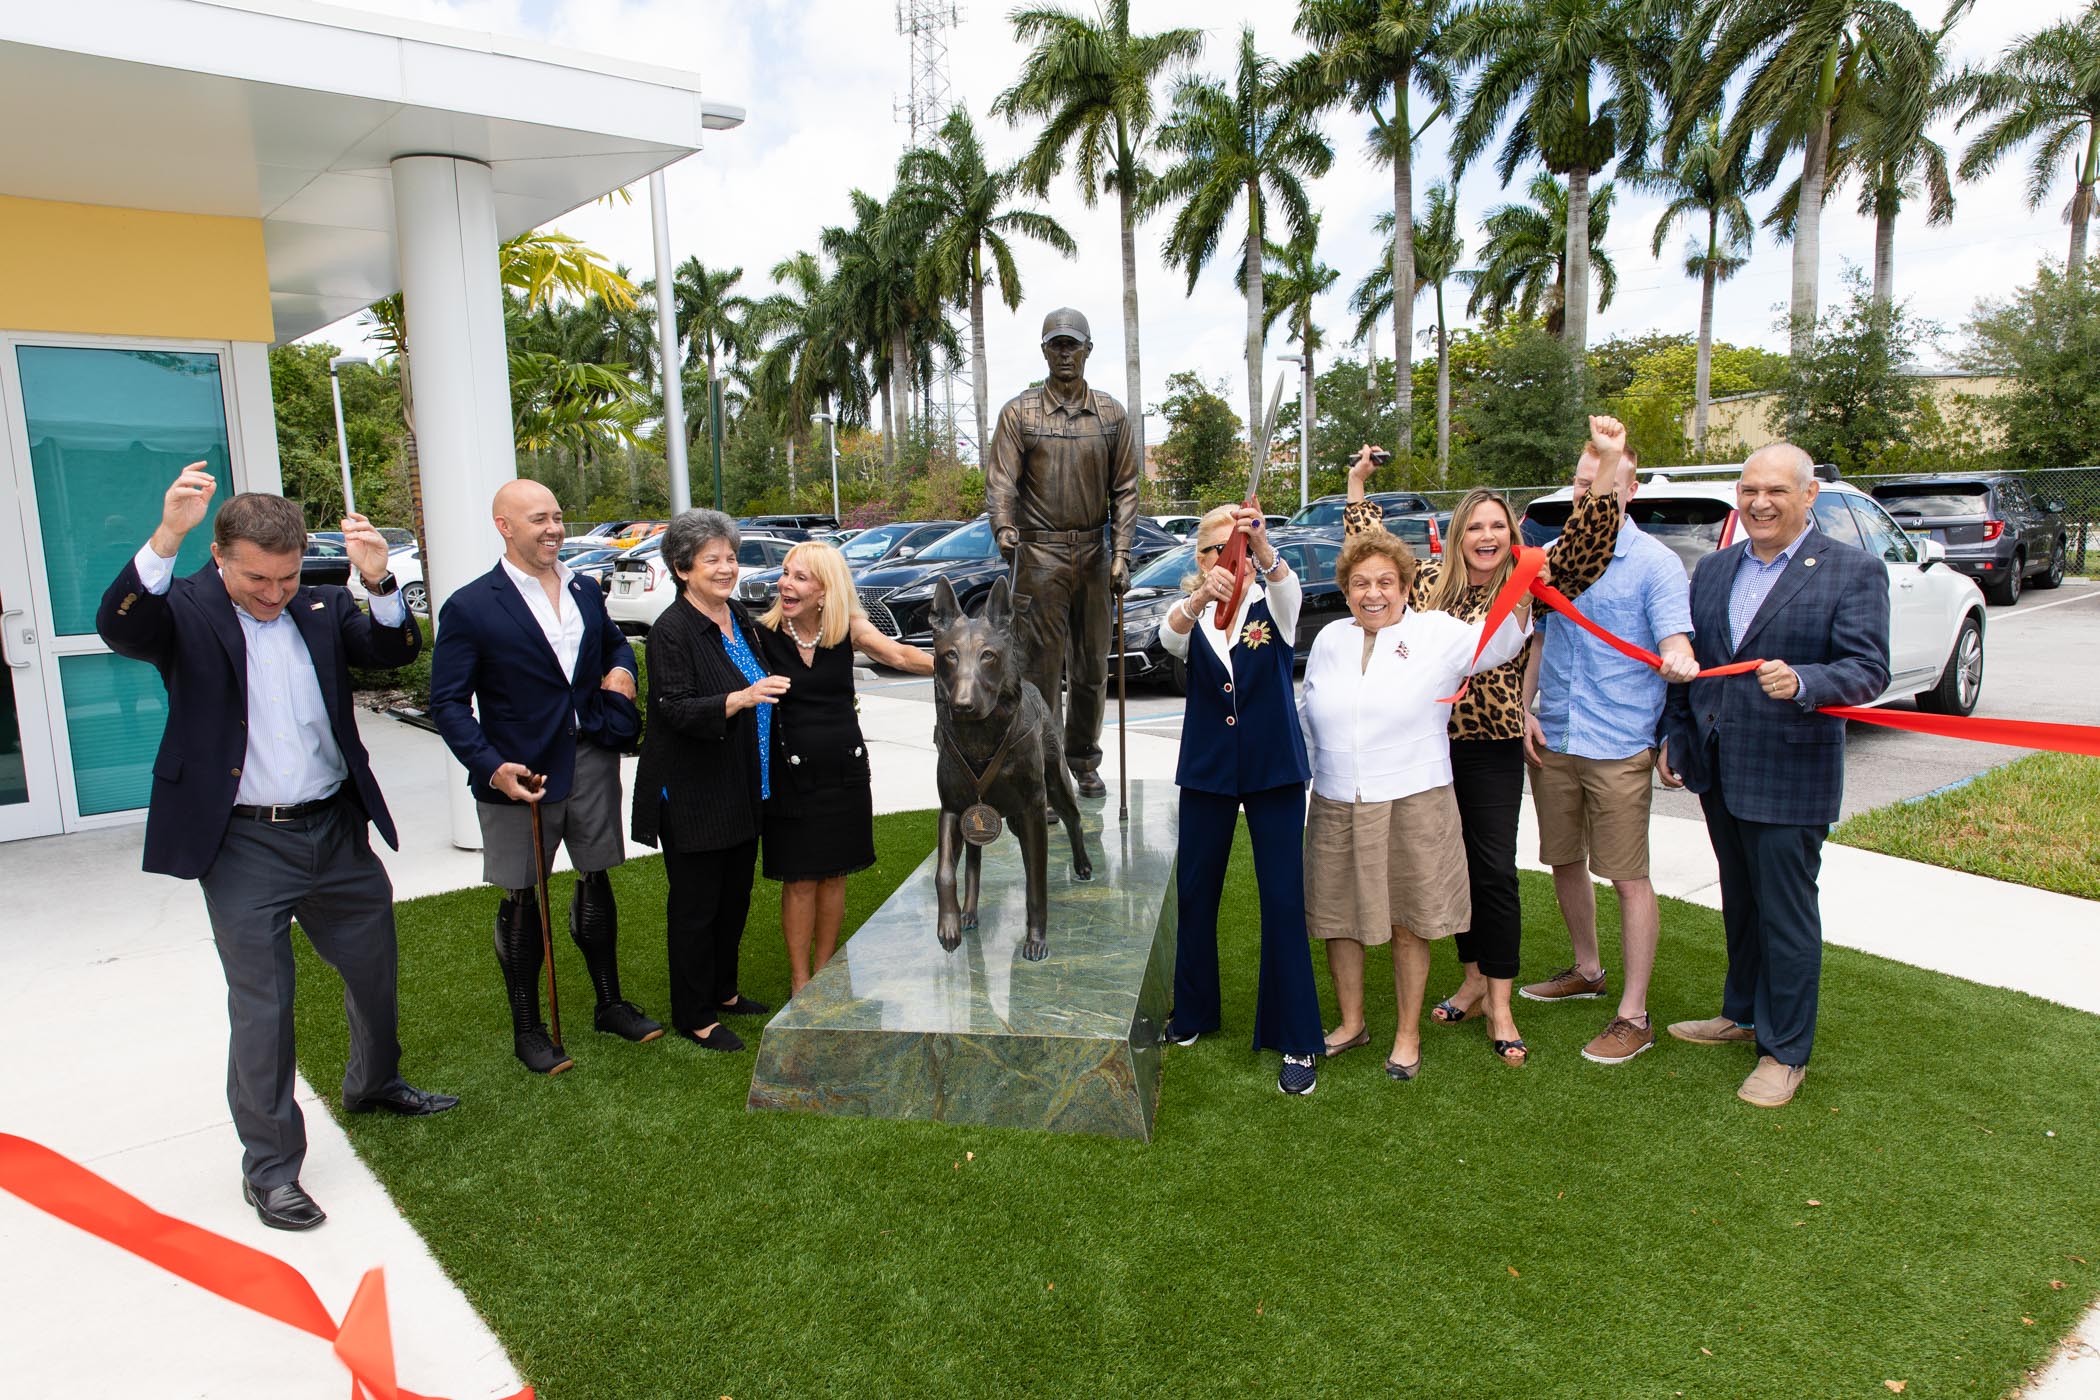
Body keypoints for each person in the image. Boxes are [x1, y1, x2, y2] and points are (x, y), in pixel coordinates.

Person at [96, 463, 456, 1232]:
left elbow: (392, 652)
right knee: (265, 1009)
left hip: (334, 829)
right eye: (258, 578)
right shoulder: (183, 607)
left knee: (374, 973)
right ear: (220, 558)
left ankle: (373, 1083)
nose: (274, 592)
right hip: (242, 843)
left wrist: (378, 581)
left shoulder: (321, 605)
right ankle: (270, 1170)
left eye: (287, 577)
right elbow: (119, 626)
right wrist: (166, 537)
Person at [1343, 424, 1627, 1064]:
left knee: (1494, 871)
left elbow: (1586, 548)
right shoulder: (1424, 586)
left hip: (1492, 744)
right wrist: (1358, 485)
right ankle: (1472, 977)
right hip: (1426, 748)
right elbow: (1372, 557)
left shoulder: (1529, 578)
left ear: (1511, 534)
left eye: (1498, 526)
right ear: (1459, 534)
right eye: (1476, 527)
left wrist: (1606, 465)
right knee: (1451, 870)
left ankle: (1499, 1000)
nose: (1488, 537)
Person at [1661, 443, 1890, 1107]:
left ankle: (1785, 1051)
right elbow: (1694, 664)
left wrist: (1805, 681)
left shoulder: (1852, 571)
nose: (1759, 502)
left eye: (1776, 491)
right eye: (1749, 488)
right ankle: (1742, 1011)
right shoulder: (1715, 568)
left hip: (1791, 773)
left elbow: (1868, 668)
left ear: (1808, 495)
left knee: (1787, 915)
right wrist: (1676, 735)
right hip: (1718, 767)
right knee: (1742, 901)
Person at [430, 479, 661, 1077]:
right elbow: (449, 704)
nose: (553, 528)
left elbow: (614, 644)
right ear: (504, 525)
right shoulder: (471, 606)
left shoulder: (585, 588)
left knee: (596, 876)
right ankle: (528, 1029)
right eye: (539, 518)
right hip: (519, 773)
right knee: (521, 894)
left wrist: (620, 674)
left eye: (558, 516)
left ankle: (609, 1003)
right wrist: (489, 766)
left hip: (590, 757)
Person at [1299, 529, 1532, 1080]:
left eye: (1385, 582)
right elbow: (1310, 707)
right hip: (1336, 797)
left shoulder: (1436, 633)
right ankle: (1352, 1023)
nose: (1372, 593)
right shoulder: (1330, 638)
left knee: (1410, 921)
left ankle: (1408, 1035)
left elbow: (1501, 643)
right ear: (1345, 590)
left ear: (1407, 586)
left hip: (1412, 798)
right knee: (1340, 920)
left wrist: (1523, 590)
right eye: (1360, 584)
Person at [1519, 433, 1701, 1065]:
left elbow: (1675, 641)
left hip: (1620, 742)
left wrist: (1679, 657)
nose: (1586, 490)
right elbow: (1538, 641)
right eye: (1579, 481)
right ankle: (1587, 970)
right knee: (1564, 860)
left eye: (1601, 481)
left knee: (1627, 877)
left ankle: (1634, 1014)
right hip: (1557, 736)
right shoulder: (1554, 559)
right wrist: (1522, 708)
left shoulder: (1655, 565)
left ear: (1630, 488)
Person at [1156, 503, 1324, 1096]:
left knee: (1282, 899)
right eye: (1218, 550)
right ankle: (1195, 1012)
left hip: (1274, 770)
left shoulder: (1273, 603)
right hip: (1206, 773)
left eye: (1240, 549)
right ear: (1200, 559)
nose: (1232, 560)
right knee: (1196, 894)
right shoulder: (1192, 614)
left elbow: (1287, 587)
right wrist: (1203, 596)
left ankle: (1297, 1035)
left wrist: (1264, 549)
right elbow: (1167, 637)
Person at [631, 510, 785, 1051]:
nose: (727, 568)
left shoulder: (736, 615)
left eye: (730, 558)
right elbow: (674, 708)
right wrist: (739, 699)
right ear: (681, 568)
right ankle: (693, 1013)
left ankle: (723, 991)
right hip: (694, 793)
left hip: (744, 784)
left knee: (735, 897)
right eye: (712, 560)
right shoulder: (672, 631)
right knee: (696, 908)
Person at [751, 540, 932, 992]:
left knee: (834, 875)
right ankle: (799, 980)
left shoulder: (848, 629)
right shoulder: (761, 634)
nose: (785, 583)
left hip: (845, 771)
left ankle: (826, 972)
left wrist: (962, 663)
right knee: (799, 879)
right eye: (786, 573)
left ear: (825, 591)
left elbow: (899, 656)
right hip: (790, 775)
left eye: (799, 577)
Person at [985, 307, 1141, 799]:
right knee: (1041, 673)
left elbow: (1127, 489)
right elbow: (1001, 481)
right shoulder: (1019, 413)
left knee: (1093, 667)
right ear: (1045, 350)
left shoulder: (1112, 414)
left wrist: (1121, 553)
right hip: (1040, 556)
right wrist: (1004, 526)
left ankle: (1083, 759)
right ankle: (1046, 771)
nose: (1066, 353)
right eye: (1057, 344)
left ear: (1088, 349)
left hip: (1095, 554)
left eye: (1073, 344)